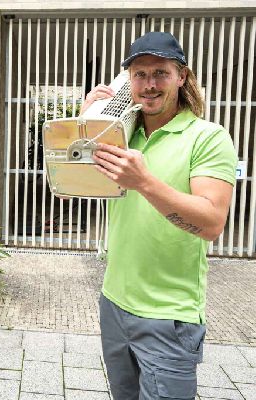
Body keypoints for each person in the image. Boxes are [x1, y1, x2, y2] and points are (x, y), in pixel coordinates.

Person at [81, 32, 237, 399]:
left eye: (160, 73)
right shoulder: (121, 136)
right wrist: (87, 121)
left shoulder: (208, 138)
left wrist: (144, 182)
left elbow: (211, 223)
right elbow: (73, 182)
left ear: (182, 76)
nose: (149, 84)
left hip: (169, 314)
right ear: (128, 81)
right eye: (140, 74)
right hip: (114, 303)